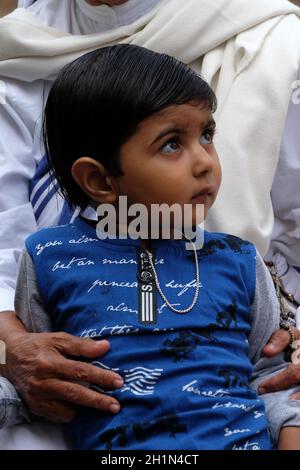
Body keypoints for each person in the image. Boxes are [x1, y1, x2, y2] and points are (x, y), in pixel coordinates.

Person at [1, 0, 300, 449]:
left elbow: (270, 373)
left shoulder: (237, 260)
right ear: (98, 179)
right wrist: (10, 355)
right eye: (172, 145)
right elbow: (29, 352)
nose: (205, 164)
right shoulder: (48, 259)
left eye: (208, 136)